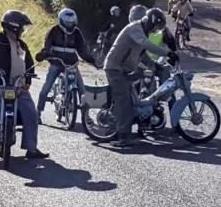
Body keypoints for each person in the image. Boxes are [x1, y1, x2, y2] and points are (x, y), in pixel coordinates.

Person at [0, 10, 48, 166]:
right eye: (21, 27)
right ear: (13, 27)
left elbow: (29, 64)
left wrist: (28, 80)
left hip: (18, 87)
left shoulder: (22, 45)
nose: (23, 30)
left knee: (31, 114)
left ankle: (31, 148)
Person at [104, 8, 177, 146]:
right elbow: (146, 45)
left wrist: (157, 65)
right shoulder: (135, 28)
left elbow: (143, 54)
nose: (155, 31)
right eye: (156, 27)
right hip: (115, 68)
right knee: (124, 101)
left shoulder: (142, 32)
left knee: (134, 100)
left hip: (124, 69)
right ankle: (123, 138)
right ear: (151, 22)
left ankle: (120, 128)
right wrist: (168, 53)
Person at [35, 8, 96, 124]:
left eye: (71, 22)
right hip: (56, 62)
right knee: (46, 87)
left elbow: (82, 48)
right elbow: (47, 44)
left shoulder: (77, 32)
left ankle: (86, 116)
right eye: (67, 22)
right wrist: (45, 53)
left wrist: (90, 58)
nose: (69, 25)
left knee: (82, 89)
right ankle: (38, 112)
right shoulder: (54, 30)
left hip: (72, 64)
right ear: (61, 21)